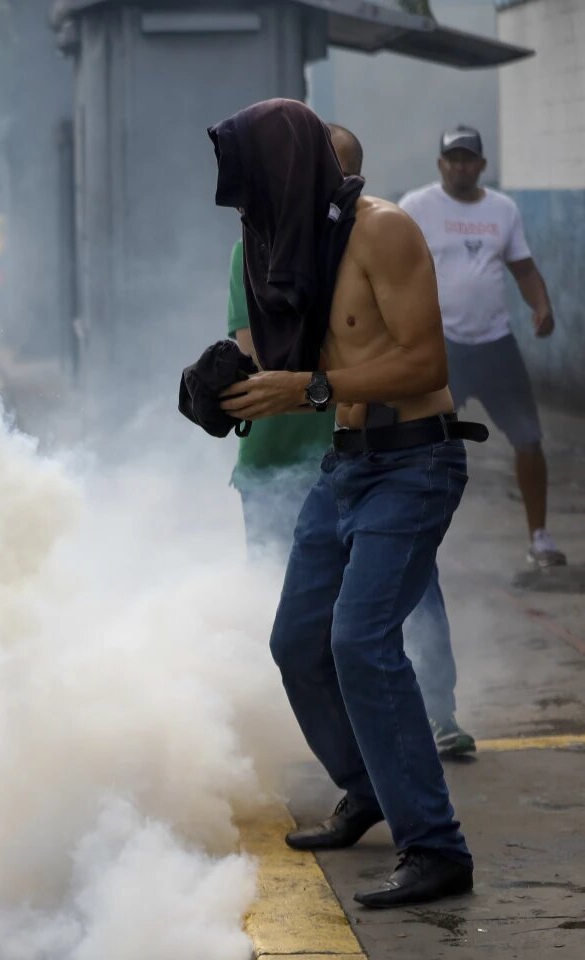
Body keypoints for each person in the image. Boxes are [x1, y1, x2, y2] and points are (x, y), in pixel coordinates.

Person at [213, 99, 476, 907]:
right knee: (297, 642)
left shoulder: (382, 230)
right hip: (346, 467)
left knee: (361, 643)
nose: (247, 203)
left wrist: (312, 386)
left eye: (256, 182)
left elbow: (427, 366)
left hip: (414, 463)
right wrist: (228, 390)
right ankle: (366, 787)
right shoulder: (300, 245)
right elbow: (298, 372)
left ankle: (435, 847)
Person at [399, 127, 564, 568]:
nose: (460, 166)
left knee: (529, 439)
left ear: (482, 166)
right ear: (440, 164)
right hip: (441, 345)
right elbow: (390, 265)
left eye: (468, 159)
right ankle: (413, 537)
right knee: (418, 441)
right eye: (452, 158)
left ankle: (540, 537)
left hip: (495, 344)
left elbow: (524, 269)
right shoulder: (416, 206)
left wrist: (542, 306)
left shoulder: (502, 210)